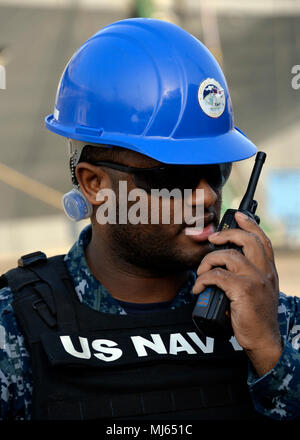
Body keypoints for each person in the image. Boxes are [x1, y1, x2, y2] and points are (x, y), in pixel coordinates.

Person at [0, 17, 300, 421]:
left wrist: (269, 353)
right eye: (173, 176)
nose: (207, 195)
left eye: (215, 170)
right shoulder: (13, 327)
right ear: (95, 185)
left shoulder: (272, 318)